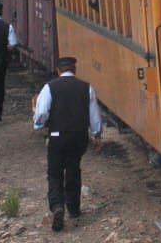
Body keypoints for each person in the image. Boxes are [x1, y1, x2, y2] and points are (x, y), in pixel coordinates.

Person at [32, 56, 103, 232]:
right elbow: (94, 114)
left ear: (58, 71)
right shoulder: (86, 87)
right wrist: (97, 135)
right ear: (74, 69)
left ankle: (57, 206)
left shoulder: (50, 87)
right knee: (73, 169)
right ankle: (73, 208)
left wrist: (38, 125)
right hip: (79, 137)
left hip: (57, 136)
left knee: (55, 173)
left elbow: (41, 113)